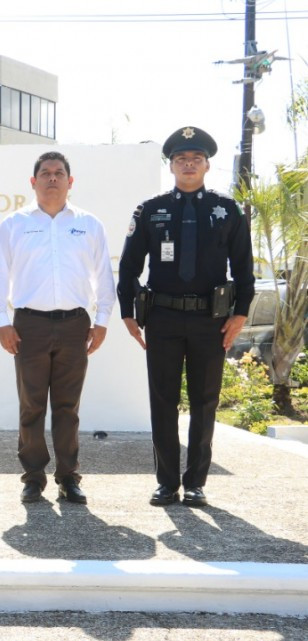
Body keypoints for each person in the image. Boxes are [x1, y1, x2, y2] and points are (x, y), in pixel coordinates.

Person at [117, 126, 254, 508]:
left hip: (211, 321)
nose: (188, 165)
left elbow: (244, 269)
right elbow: (129, 267)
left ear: (207, 165)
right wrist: (128, 313)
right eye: (181, 159)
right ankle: (166, 483)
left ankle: (195, 483)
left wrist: (240, 314)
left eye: (195, 159)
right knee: (162, 401)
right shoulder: (150, 210)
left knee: (205, 401)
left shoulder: (226, 210)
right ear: (171, 165)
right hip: (161, 318)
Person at [0, 151, 115, 505]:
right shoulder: (14, 224)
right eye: (45, 173)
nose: (53, 178)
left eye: (59, 173)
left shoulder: (89, 224)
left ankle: (68, 477)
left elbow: (104, 276)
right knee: (31, 406)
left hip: (75, 325)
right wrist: (2, 323)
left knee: (67, 407)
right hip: (29, 325)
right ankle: (32, 477)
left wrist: (102, 321)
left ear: (70, 182)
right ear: (33, 182)